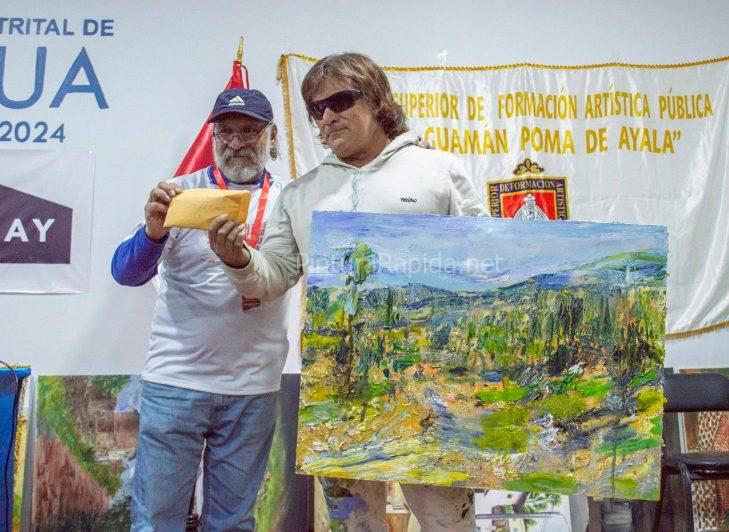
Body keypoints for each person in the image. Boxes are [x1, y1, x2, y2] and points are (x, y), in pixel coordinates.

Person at [209, 53, 487, 531]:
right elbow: (272, 277)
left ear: (377, 100)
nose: (328, 116)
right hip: (337, 386)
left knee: (449, 521)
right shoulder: (301, 194)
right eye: (317, 109)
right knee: (353, 525)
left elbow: (485, 262)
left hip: (432, 385)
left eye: (340, 101)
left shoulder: (437, 172)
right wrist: (238, 260)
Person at [111, 88, 290, 531]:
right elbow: (126, 273)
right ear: (212, 137)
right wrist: (153, 232)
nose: (236, 142)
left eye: (249, 131)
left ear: (272, 136)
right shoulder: (181, 192)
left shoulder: (290, 201)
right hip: (176, 382)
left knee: (233, 523)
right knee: (156, 521)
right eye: (225, 132)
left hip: (254, 387)